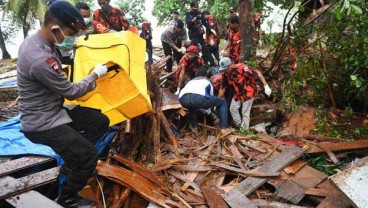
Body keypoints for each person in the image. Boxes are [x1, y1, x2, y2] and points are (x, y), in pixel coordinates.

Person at [16, 1, 110, 207]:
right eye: (68, 33)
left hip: (55, 109)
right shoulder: (39, 58)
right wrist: (95, 75)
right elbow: (71, 91)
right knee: (89, 156)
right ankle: (68, 196)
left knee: (100, 121)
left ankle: (72, 164)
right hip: (43, 122)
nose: (69, 38)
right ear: (55, 28)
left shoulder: (42, 43)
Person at [221, 61, 272, 129]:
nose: (225, 71)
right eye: (224, 69)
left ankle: (244, 130)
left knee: (245, 112)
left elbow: (257, 73)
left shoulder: (241, 68)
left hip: (248, 91)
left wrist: (266, 86)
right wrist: (220, 99)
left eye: (226, 69)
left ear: (231, 65)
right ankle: (239, 126)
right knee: (232, 109)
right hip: (238, 93)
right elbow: (222, 88)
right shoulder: (225, 74)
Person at [179, 70, 229, 134]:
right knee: (222, 102)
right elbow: (210, 97)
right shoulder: (207, 82)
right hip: (197, 98)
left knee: (191, 108)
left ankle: (195, 129)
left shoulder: (191, 81)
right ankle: (223, 128)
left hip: (183, 99)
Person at [185, 1, 215, 66]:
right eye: (194, 7)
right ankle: (195, 65)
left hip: (200, 34)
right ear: (191, 7)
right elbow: (188, 23)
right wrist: (193, 20)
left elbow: (204, 22)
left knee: (205, 49)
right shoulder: (188, 14)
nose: (196, 8)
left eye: (197, 7)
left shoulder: (199, 13)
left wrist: (209, 29)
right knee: (195, 50)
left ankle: (210, 63)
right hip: (193, 36)